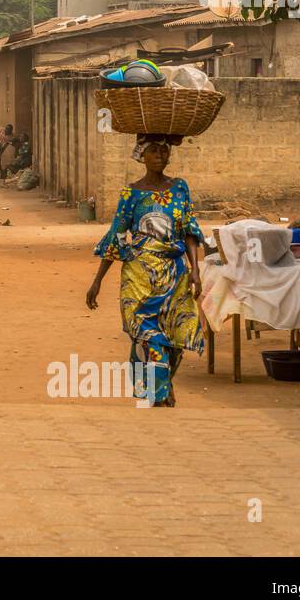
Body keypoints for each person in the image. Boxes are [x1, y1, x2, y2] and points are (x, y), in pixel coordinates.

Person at [85, 134, 204, 407]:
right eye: (153, 151)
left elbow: (189, 230)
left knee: (174, 337)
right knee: (147, 333)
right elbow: (117, 235)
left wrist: (195, 269)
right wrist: (97, 281)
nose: (160, 155)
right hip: (139, 275)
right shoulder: (131, 193)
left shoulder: (180, 188)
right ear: (142, 156)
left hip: (174, 273)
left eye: (164, 151)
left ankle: (162, 382)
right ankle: (157, 395)